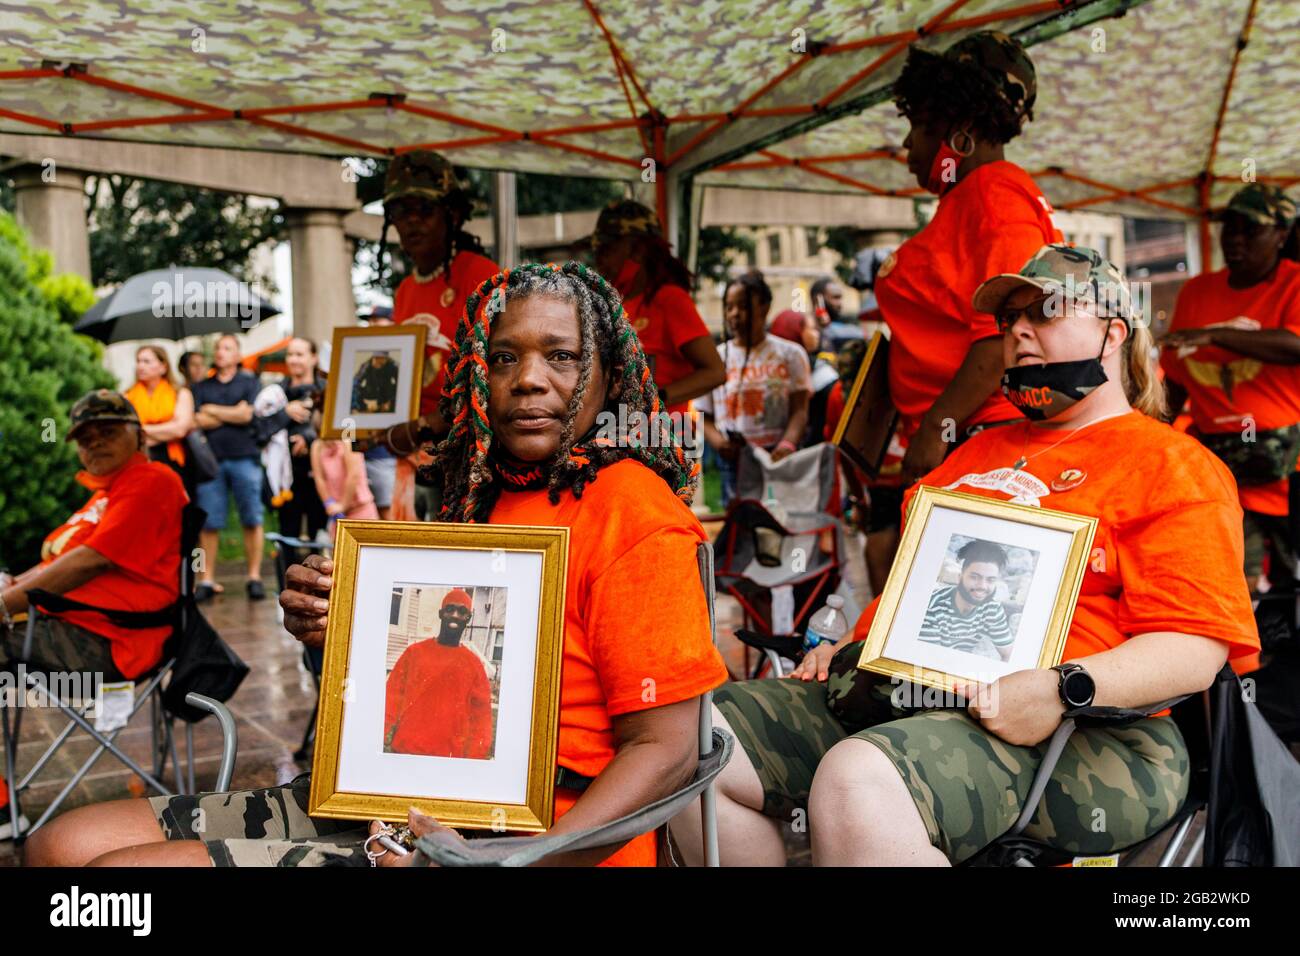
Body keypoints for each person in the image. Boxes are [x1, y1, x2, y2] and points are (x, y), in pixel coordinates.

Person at [28, 262, 727, 869]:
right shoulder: (478, 497)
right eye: (504, 357)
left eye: (564, 357)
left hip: (528, 835)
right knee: (61, 845)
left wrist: (511, 859)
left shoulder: (637, 514)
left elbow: (665, 751)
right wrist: (331, 632)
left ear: (611, 374)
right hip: (389, 800)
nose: (529, 380)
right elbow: (379, 700)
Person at [669, 245, 1260, 866]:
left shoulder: (1175, 466)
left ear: (1113, 332)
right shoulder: (972, 455)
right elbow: (917, 593)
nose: (1019, 333)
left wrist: (1063, 689)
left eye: (1045, 312)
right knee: (687, 740)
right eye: (1009, 322)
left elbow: (1197, 649)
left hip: (1094, 732)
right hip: (903, 695)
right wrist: (852, 644)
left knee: (857, 783)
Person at [878, 31, 1061, 494]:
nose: (906, 143)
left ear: (961, 127)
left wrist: (935, 430)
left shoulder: (992, 195)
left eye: (919, 124)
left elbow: (1006, 334)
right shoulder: (975, 198)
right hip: (972, 433)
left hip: (983, 435)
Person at [0, 390, 186, 839]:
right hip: (77, 626)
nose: (95, 443)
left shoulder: (151, 481)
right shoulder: (107, 494)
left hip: (115, 643)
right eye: (85, 437)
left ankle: (2, 810)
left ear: (139, 436)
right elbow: (57, 562)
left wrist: (6, 602)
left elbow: (90, 561)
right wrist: (11, 585)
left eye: (108, 431)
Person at [1161, 183, 1300, 592]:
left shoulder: (1293, 283)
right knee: (1234, 575)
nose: (1235, 239)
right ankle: (1255, 655)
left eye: (1250, 230)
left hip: (1287, 468)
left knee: (1292, 575)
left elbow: (1295, 344)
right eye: (1229, 228)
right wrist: (1150, 432)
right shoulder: (1197, 291)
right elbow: (1176, 379)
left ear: (1281, 234)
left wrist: (1215, 336)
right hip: (1221, 466)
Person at [372, 150, 501, 522]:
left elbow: (498, 377)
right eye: (401, 211)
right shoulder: (405, 290)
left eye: (424, 210)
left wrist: (428, 424)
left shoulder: (483, 276)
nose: (412, 222)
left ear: (453, 215)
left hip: (478, 459)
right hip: (422, 461)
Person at [587, 199, 724, 418]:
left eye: (607, 248)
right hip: (621, 435)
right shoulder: (616, 304)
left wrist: (655, 398)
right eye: (596, 249)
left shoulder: (669, 299)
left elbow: (715, 372)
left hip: (663, 440)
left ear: (638, 250)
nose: (598, 258)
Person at [697, 269, 812, 507]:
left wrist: (787, 444)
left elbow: (800, 410)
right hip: (735, 461)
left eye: (743, 306)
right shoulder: (715, 359)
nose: (734, 314)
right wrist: (719, 443)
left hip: (777, 459)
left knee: (780, 523)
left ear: (764, 307)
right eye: (729, 307)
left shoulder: (790, 355)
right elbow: (702, 414)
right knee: (740, 528)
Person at [191, 333, 265, 601]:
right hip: (211, 463)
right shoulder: (201, 387)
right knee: (209, 522)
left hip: (245, 458)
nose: (220, 352)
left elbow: (248, 414)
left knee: (252, 518)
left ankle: (254, 577)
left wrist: (214, 411)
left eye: (227, 348)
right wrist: (231, 412)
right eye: (218, 348)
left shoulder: (250, 382)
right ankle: (206, 579)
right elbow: (198, 419)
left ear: (237, 354)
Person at [384, 588, 492, 759]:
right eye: (450, 609)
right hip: (407, 752)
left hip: (448, 759)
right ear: (441, 614)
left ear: (468, 619)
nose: (455, 615)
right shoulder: (414, 653)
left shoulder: (474, 665)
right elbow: (389, 699)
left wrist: (473, 762)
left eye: (462, 611)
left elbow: (481, 721)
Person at [918, 539, 1012, 661]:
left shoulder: (992, 608)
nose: (982, 586)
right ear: (959, 577)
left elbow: (1008, 654)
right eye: (974, 577)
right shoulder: (933, 607)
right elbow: (928, 661)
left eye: (990, 580)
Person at [274, 337, 328, 542]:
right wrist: (284, 412)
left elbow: (339, 426)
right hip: (285, 474)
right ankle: (288, 573)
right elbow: (259, 427)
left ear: (313, 358)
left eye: (299, 354)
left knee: (320, 533)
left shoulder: (325, 388)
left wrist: (309, 439)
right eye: (290, 354)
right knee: (287, 533)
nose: (293, 359)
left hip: (319, 473)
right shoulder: (277, 391)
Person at [124, 345, 196, 497]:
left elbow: (180, 430)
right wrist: (168, 429)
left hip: (174, 459)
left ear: (163, 367)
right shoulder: (128, 396)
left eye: (146, 361)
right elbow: (125, 433)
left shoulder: (180, 393)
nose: (140, 366)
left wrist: (141, 430)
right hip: (140, 461)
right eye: (138, 361)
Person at [310, 435, 378, 534]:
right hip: (337, 515)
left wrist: (343, 505)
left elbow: (353, 476)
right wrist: (329, 503)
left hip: (361, 510)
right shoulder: (317, 445)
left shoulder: (350, 442)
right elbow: (319, 478)